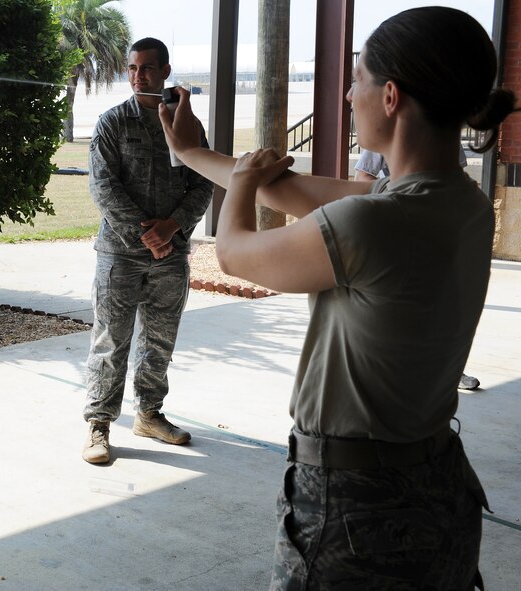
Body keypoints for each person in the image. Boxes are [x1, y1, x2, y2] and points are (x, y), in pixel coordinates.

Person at [160, 7, 516, 589]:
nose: (350, 96)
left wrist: (246, 182)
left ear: (392, 96)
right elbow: (301, 191)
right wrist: (192, 154)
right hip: (437, 486)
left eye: (358, 81)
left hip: (356, 512)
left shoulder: (374, 222)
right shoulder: (461, 204)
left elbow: (235, 252)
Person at [81, 37, 214, 464]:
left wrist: (172, 227)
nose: (140, 76)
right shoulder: (112, 123)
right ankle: (98, 425)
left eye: (149, 68)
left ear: (165, 71)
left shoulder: (185, 125)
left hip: (170, 254)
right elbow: (103, 187)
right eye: (134, 68)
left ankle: (150, 414)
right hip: (120, 254)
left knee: (160, 339)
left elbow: (203, 181)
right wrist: (147, 235)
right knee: (110, 340)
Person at [355, 147, 482, 391]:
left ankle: (450, 372)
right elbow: (364, 178)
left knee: (445, 306)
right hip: (399, 229)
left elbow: (456, 181)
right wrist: (407, 193)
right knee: (401, 307)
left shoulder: (446, 137)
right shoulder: (386, 132)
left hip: (441, 231)